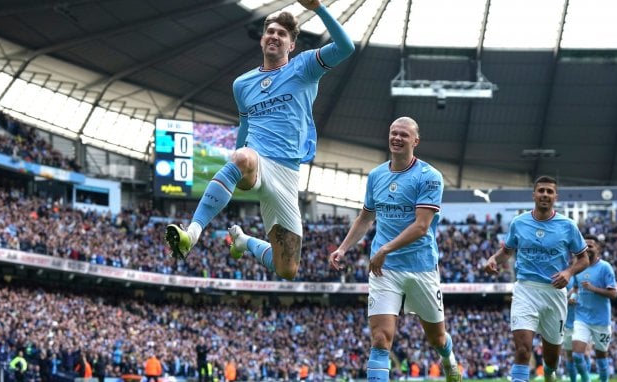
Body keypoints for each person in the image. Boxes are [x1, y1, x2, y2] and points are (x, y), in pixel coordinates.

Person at [164, 0, 355, 280]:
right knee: (242, 157)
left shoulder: (305, 67)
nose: (275, 36)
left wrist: (318, 8)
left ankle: (244, 242)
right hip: (257, 160)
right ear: (262, 39)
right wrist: (236, 160)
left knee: (286, 269)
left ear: (291, 45)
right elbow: (245, 124)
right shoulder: (242, 84)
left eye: (282, 34)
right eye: (270, 32)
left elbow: (346, 48)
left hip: (287, 173)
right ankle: (191, 234)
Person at [329, 117, 461, 382]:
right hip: (384, 269)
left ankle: (448, 359)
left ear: (415, 141)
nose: (397, 138)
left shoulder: (429, 176)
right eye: (393, 133)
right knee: (380, 338)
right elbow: (365, 218)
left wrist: (385, 248)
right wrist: (343, 248)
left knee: (436, 337)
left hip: (420, 267)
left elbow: (422, 226)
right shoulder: (377, 175)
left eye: (403, 134)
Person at [485, 175, 590, 382]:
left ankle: (550, 376)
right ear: (534, 195)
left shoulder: (567, 225)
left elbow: (584, 259)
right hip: (526, 290)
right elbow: (506, 251)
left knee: (551, 360)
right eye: (541, 190)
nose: (545, 195)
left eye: (549, 192)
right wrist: (493, 259)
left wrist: (568, 272)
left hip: (554, 292)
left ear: (555, 197)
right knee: (523, 351)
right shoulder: (519, 222)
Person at [571, 234, 617, 382]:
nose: (587, 248)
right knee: (576, 356)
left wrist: (593, 288)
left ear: (598, 248)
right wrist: (573, 297)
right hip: (581, 317)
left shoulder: (605, 267)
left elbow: (613, 293)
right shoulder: (578, 266)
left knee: (601, 356)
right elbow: (577, 288)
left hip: (601, 320)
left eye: (590, 246)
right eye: (585, 246)